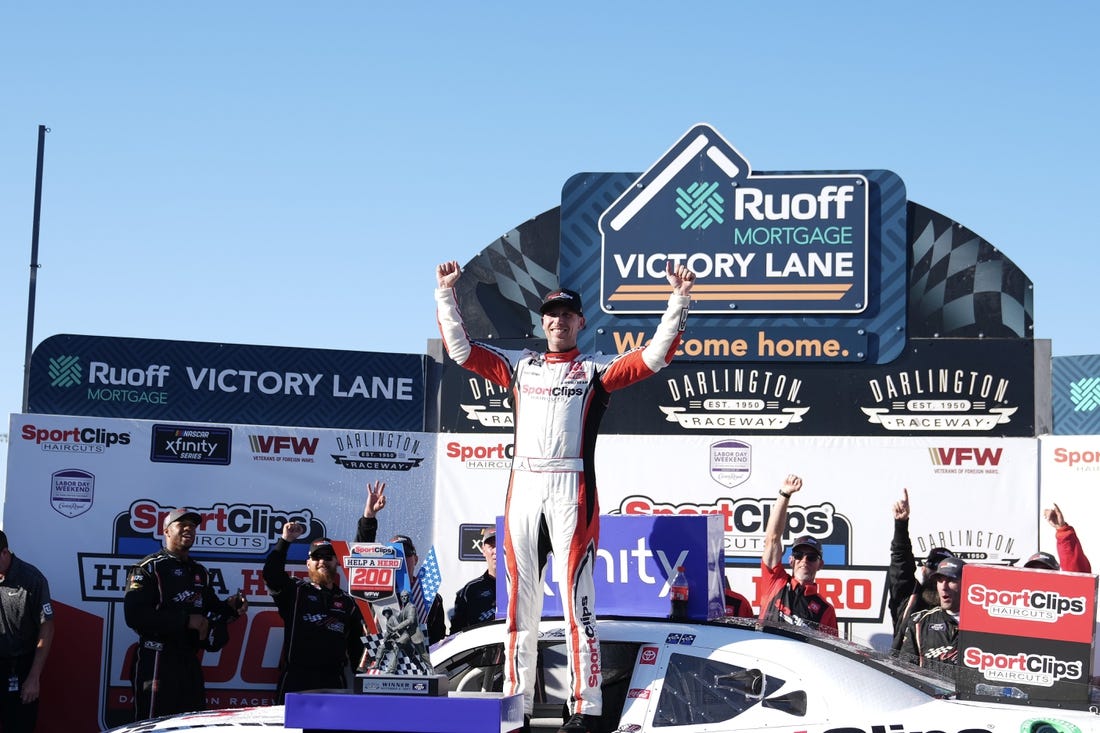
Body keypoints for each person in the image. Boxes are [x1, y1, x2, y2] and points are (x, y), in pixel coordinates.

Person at [436, 258, 696, 733]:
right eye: (550, 313)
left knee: (579, 603)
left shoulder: (595, 371)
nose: (558, 320)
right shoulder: (520, 367)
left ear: (580, 322)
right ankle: (516, 708)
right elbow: (459, 350)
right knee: (520, 607)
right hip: (523, 489)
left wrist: (678, 298)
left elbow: (655, 356)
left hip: (571, 490)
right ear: (543, 321)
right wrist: (445, 293)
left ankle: (586, 707)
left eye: (566, 314)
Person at [124, 508, 247, 720]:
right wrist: (186, 621)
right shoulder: (148, 568)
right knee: (153, 725)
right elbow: (134, 616)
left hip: (189, 661)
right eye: (182, 524)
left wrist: (232, 608)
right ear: (166, 531)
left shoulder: (199, 571)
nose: (189, 528)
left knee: (192, 724)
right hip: (156, 660)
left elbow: (211, 608)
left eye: (193, 525)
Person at [263, 522, 366, 702]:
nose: (322, 562)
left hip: (333, 680)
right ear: (308, 563)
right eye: (317, 557)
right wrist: (285, 540)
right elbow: (271, 575)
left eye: (328, 557)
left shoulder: (348, 602)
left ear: (337, 562)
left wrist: (368, 519)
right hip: (296, 680)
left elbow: (357, 651)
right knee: (290, 730)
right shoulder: (295, 591)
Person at [353, 481, 446, 643]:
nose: (401, 557)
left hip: (415, 664)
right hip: (378, 663)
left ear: (415, 559)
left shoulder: (429, 594)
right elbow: (361, 556)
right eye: (395, 553)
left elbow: (437, 639)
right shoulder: (374, 589)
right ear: (385, 559)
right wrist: (369, 516)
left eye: (406, 553)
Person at [758, 475, 838, 636]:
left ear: (820, 564)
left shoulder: (825, 610)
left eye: (812, 557)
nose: (804, 560)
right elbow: (772, 538)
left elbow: (829, 652)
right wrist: (785, 494)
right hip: (763, 659)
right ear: (791, 560)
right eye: (799, 555)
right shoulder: (776, 581)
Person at [886, 488, 956, 651]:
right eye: (934, 565)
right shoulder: (908, 596)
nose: (939, 575)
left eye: (947, 573)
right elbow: (900, 561)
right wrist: (901, 526)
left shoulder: (961, 611)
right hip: (903, 673)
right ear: (924, 569)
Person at [0, 530, 53, 733]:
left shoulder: (32, 580)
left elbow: (47, 627)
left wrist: (33, 677)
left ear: (5, 553)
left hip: (19, 669)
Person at [900, 556, 965, 668]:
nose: (943, 587)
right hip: (928, 685)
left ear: (966, 584)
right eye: (939, 580)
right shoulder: (919, 622)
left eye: (951, 581)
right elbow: (905, 668)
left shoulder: (982, 624)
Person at [451, 527, 498, 633]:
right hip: (481, 648)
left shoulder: (519, 587)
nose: (495, 551)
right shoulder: (470, 590)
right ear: (483, 550)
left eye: (499, 545)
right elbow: (456, 632)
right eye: (491, 546)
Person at [1023, 503, 1092, 573]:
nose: (1038, 574)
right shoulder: (1018, 583)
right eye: (1032, 570)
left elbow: (1076, 572)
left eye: (1045, 569)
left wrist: (1062, 529)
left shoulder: (1066, 582)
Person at [384, 590, 433, 674]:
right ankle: (391, 670)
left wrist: (397, 627)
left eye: (405, 596)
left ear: (408, 597)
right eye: (402, 597)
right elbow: (399, 619)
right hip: (406, 634)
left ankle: (430, 669)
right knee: (396, 646)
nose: (403, 598)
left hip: (414, 633)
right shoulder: (403, 609)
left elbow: (410, 620)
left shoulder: (411, 607)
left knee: (422, 654)